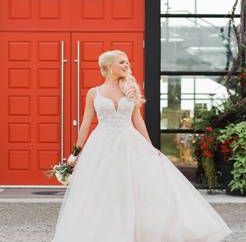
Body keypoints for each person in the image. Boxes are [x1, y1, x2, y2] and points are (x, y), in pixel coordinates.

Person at [51, 50, 233, 242]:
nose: (126, 65)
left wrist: (149, 146)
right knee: (103, 190)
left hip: (129, 142)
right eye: (121, 62)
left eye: (127, 62)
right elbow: (85, 124)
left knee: (132, 188)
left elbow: (138, 120)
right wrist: (75, 154)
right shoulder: (93, 93)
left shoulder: (129, 89)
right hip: (102, 145)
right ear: (108, 66)